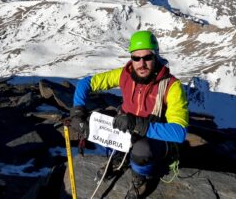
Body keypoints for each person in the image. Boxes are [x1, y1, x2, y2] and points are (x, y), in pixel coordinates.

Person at [70, 30, 189, 199]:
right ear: (131, 58)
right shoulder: (124, 75)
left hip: (154, 138)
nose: (142, 63)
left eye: (147, 57)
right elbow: (86, 83)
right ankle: (120, 158)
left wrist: (137, 124)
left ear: (156, 56)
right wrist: (77, 112)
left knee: (142, 149)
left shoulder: (171, 86)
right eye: (136, 58)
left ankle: (141, 177)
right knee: (99, 122)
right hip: (126, 127)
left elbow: (178, 133)